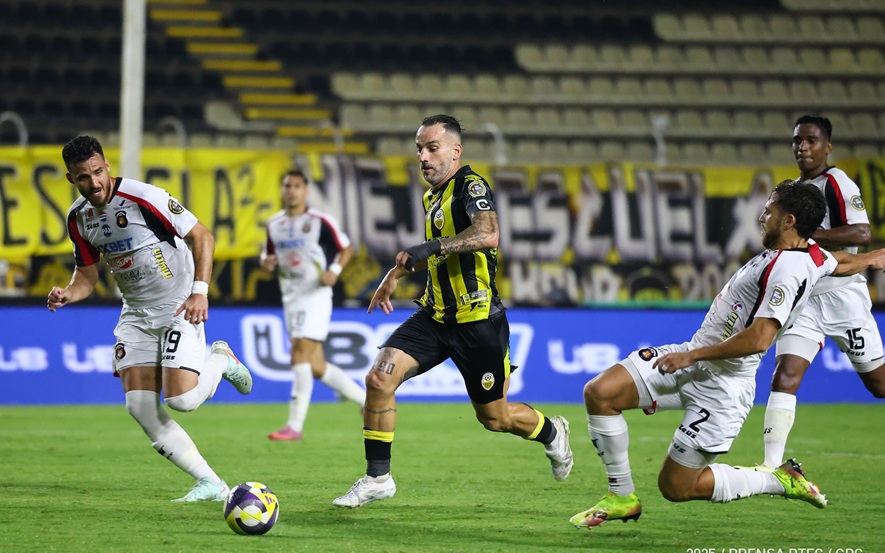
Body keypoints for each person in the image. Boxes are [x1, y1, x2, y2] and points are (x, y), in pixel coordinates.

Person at [569, 179, 885, 528]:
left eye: (770, 209)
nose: (762, 215)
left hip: (723, 387)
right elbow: (834, 262)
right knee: (600, 393)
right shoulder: (808, 253)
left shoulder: (788, 270)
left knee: (675, 487)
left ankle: (778, 479)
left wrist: (693, 357)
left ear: (788, 221)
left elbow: (761, 338)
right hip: (694, 356)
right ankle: (621, 497)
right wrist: (872, 258)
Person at [332, 114, 573, 508]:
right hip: (435, 316)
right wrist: (394, 273)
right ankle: (378, 478)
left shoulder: (470, 186)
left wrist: (427, 249)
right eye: (419, 150)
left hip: (477, 323)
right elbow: (440, 252)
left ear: (455, 151)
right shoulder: (431, 196)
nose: (423, 157)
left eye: (432, 148)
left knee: (495, 419)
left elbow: (488, 233)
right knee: (379, 379)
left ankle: (551, 431)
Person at [48, 135, 253, 502]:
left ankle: (222, 360)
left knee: (182, 402)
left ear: (107, 165)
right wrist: (67, 292)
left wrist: (200, 292)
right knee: (139, 406)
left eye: (97, 172)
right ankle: (211, 483)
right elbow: (87, 276)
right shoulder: (79, 219)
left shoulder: (145, 197)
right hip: (136, 313)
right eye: (83, 177)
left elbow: (203, 236)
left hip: (179, 304)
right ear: (71, 180)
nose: (93, 183)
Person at [751, 115, 885, 471]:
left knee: (879, 386)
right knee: (785, 375)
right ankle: (772, 468)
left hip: (843, 295)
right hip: (806, 297)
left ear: (828, 146)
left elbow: (861, 234)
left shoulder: (837, 183)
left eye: (811, 140)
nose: (803, 147)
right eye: (798, 141)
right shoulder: (797, 189)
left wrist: (807, 236)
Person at [260, 169, 366, 441]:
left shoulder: (320, 221)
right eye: (287, 186)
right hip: (291, 296)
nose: (291, 190)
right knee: (316, 364)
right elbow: (268, 255)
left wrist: (334, 270)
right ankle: (367, 402)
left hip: (316, 294)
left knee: (298, 353)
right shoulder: (274, 224)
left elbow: (346, 248)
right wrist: (266, 262)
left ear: (305, 191)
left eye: (297, 186)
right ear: (282, 190)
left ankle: (294, 426)